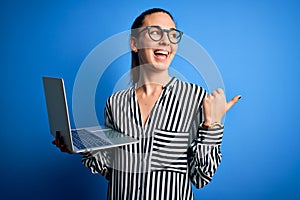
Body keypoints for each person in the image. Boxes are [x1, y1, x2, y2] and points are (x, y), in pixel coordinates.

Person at [53, 8, 241, 200]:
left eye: (172, 35)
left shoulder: (195, 98)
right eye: (155, 33)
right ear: (134, 43)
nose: (166, 41)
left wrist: (212, 126)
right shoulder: (115, 103)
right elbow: (112, 169)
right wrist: (78, 146)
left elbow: (201, 176)